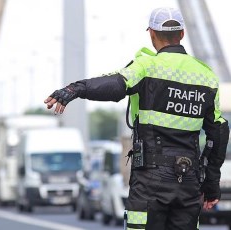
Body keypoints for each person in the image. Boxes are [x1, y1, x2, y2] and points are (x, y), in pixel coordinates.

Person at [44, 7, 230, 230]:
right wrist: (211, 185)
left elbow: (114, 85)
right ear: (182, 34)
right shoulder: (206, 77)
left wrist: (75, 89)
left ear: (151, 33)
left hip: (150, 181)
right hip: (188, 180)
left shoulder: (146, 67)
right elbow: (218, 132)